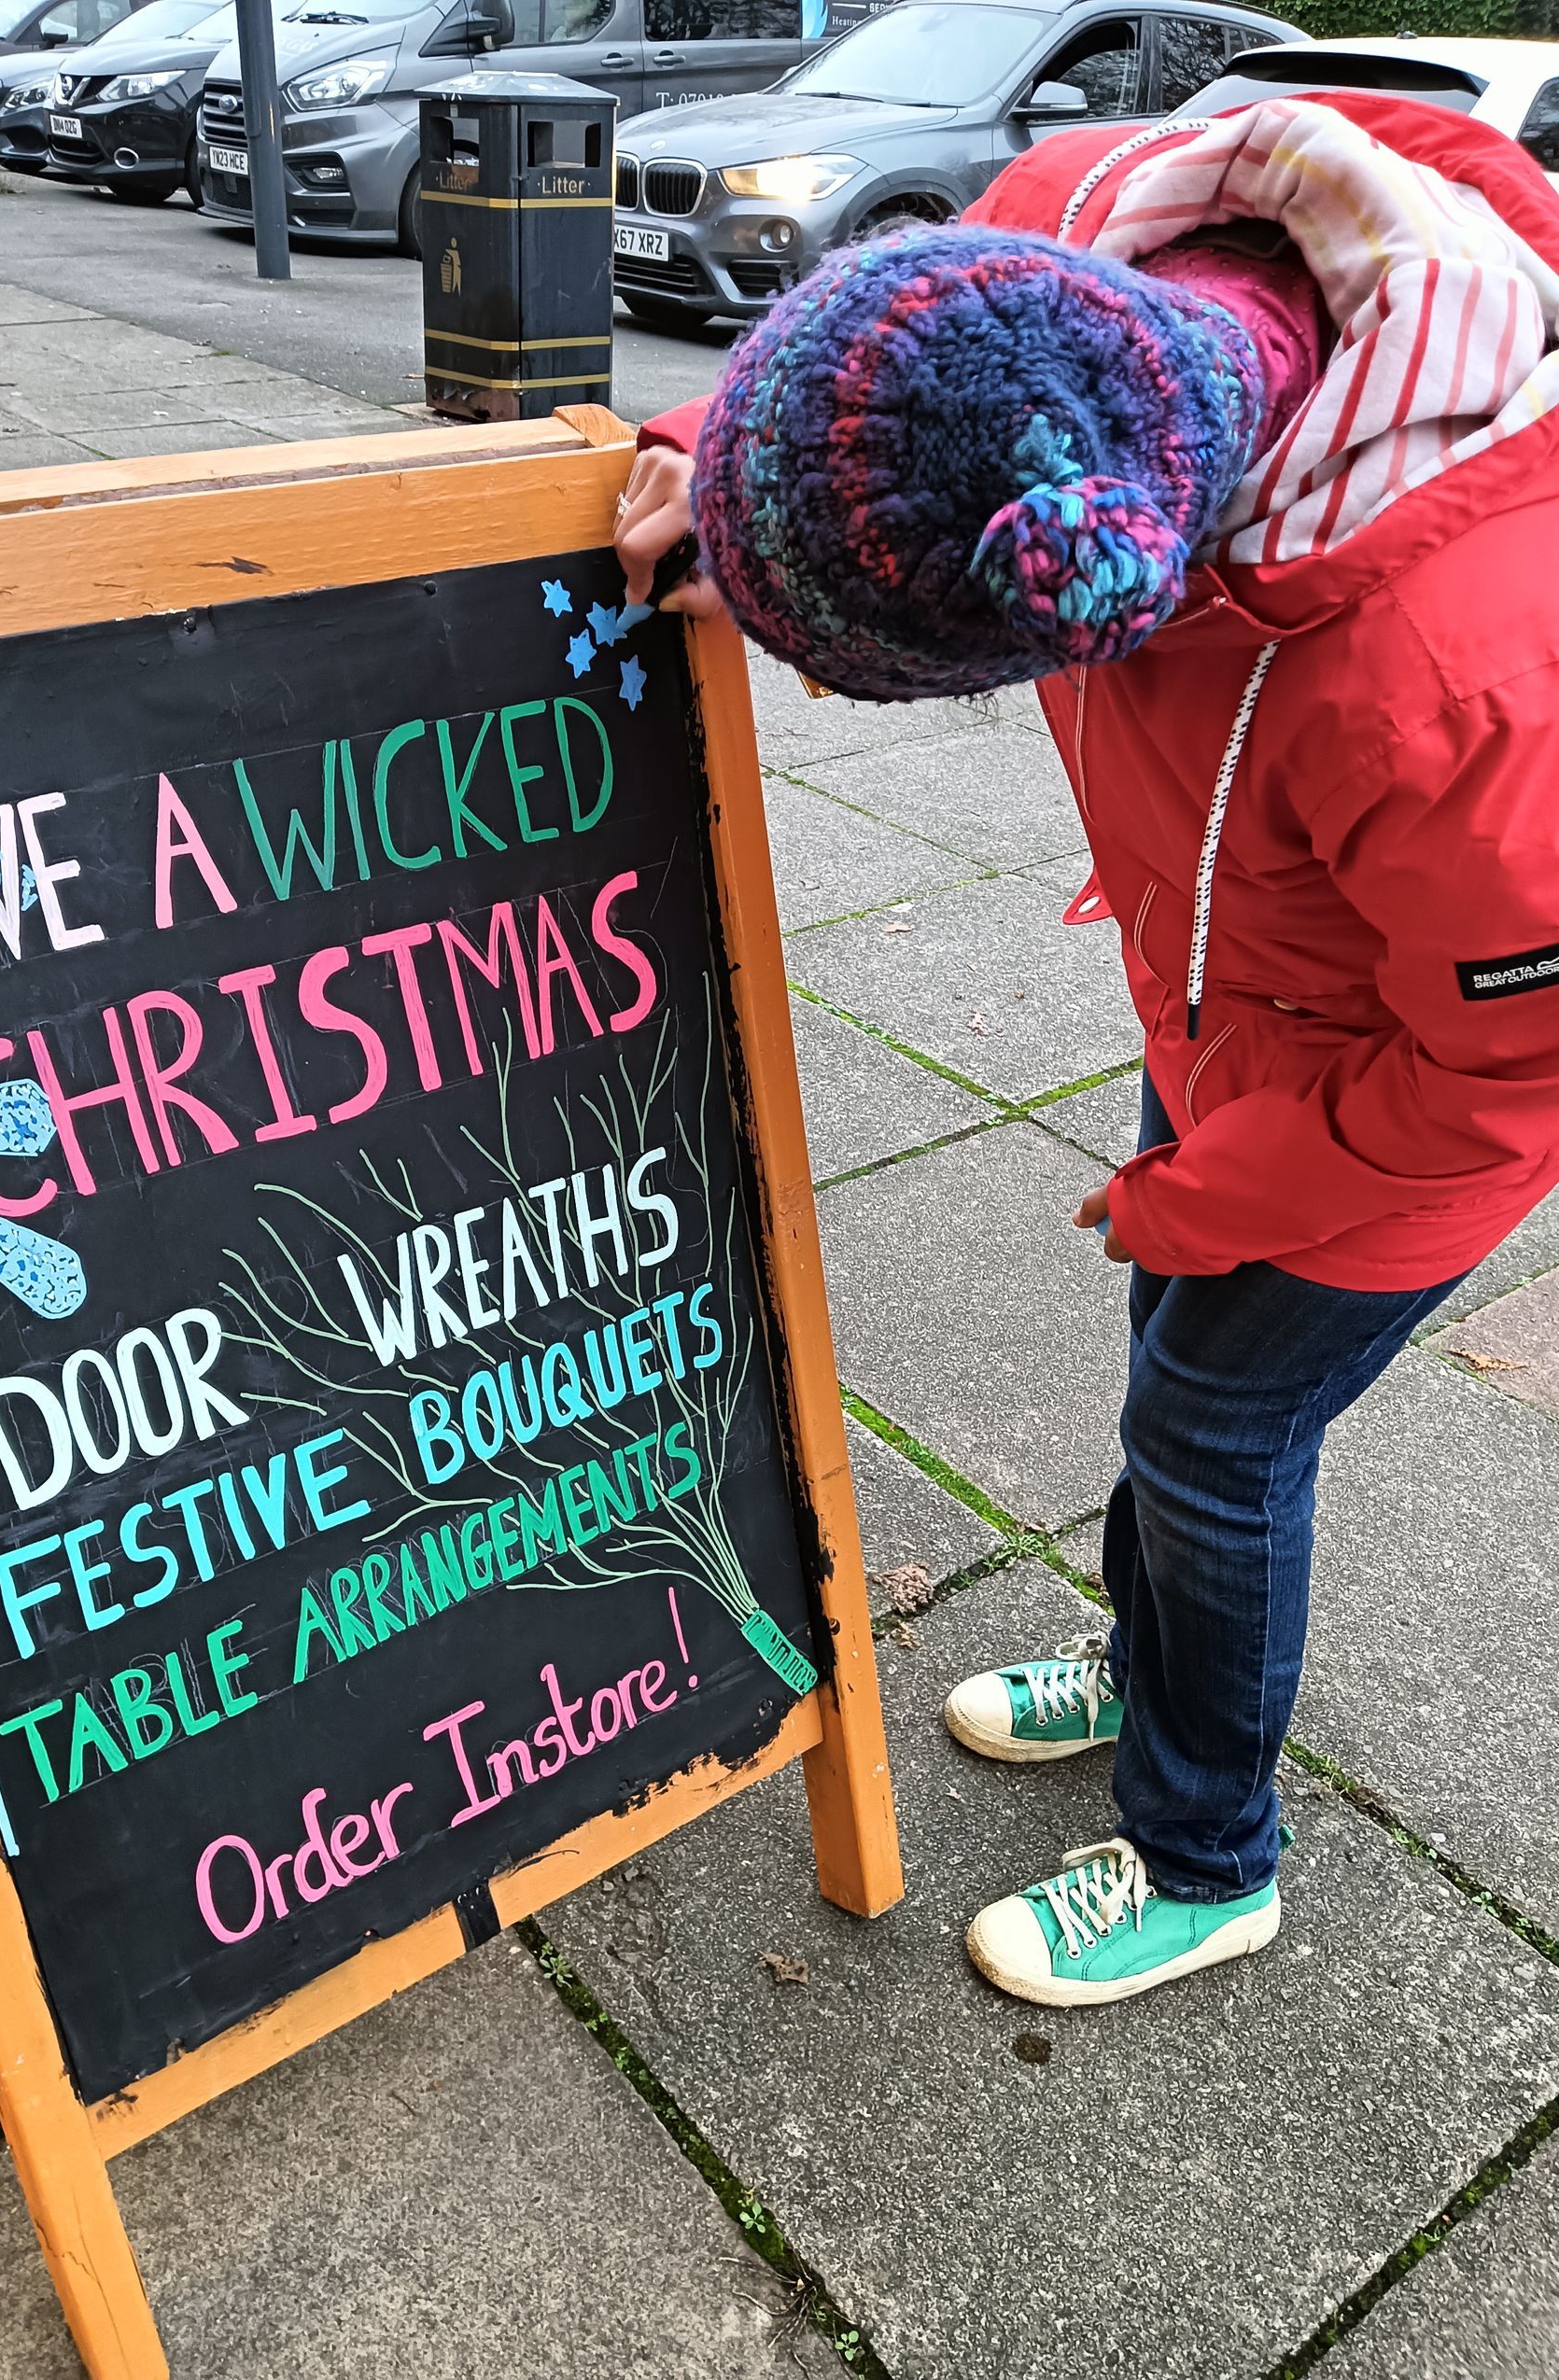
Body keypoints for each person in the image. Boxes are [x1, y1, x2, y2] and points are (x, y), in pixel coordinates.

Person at [613, 91, 1559, 2009]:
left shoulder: (1471, 680)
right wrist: (715, 456)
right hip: (1226, 996)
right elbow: (895, 360)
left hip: (1399, 1105)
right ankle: (1149, 1666)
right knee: (1167, 1383)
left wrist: (1231, 1180)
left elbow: (1509, 1072)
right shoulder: (1087, 248)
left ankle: (1211, 1852)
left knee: (1216, 1432)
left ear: (1081, 600)